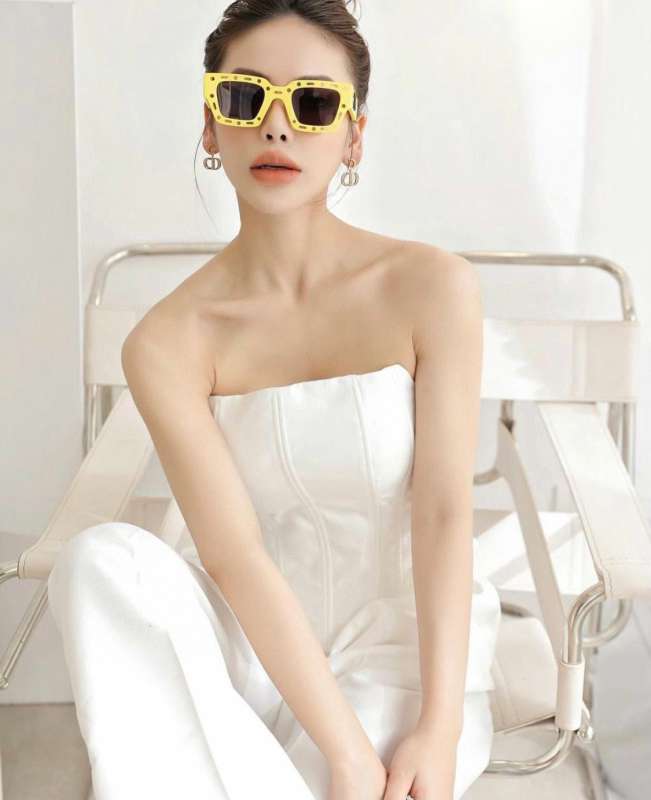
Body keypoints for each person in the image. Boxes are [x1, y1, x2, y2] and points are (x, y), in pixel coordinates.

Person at [47, 2, 501, 799]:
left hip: (398, 645)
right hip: (243, 641)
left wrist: (439, 725)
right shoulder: (166, 340)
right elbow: (234, 554)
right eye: (244, 97)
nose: (277, 126)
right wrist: (348, 756)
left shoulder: (430, 286)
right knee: (96, 560)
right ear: (210, 125)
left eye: (314, 103)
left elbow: (441, 512)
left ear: (353, 137)